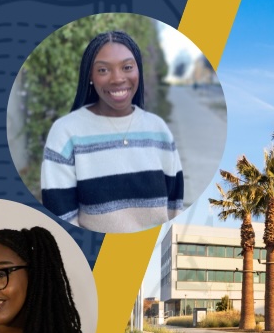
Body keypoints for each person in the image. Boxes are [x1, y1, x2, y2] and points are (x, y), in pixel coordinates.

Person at [41, 30, 184, 233]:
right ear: (90, 76)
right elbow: (61, 220)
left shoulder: (159, 130)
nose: (118, 79)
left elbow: (175, 209)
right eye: (103, 70)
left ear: (138, 71)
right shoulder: (66, 133)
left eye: (127, 67)